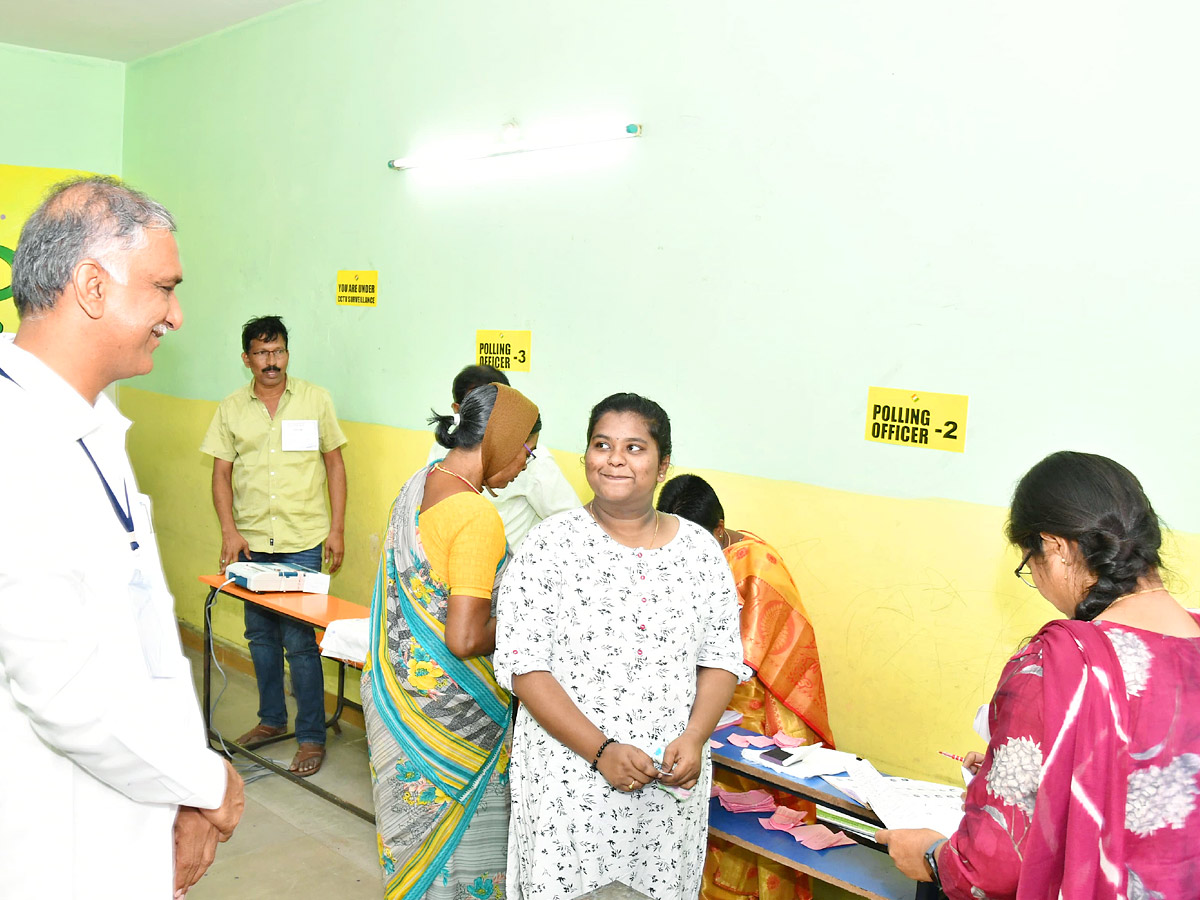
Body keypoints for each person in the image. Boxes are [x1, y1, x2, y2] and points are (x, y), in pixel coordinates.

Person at [0, 176, 244, 898]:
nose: (177, 314)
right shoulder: (19, 443)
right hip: (55, 841)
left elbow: (137, 626)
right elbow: (66, 689)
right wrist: (205, 780)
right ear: (93, 287)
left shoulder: (86, 421)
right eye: (164, 287)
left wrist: (182, 784)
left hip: (120, 809)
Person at [876, 451, 1200, 900]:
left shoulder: (1060, 663)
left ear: (1056, 547)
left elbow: (993, 867)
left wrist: (931, 855)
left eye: (1030, 563)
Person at [495, 393, 744, 900]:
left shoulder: (699, 551)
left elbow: (720, 657)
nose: (614, 459)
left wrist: (695, 737)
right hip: (569, 778)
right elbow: (525, 667)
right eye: (602, 444)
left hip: (668, 782)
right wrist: (601, 750)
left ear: (663, 464)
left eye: (635, 447)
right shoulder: (549, 547)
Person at [363, 382, 540, 900]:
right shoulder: (476, 515)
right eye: (527, 445)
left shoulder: (418, 485)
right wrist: (530, 623)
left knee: (417, 849)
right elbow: (464, 638)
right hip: (458, 721)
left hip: (399, 702)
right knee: (464, 851)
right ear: (501, 439)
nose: (528, 459)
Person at [657, 474, 833, 900]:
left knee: (755, 815)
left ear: (719, 530)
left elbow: (743, 656)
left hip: (762, 706)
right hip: (709, 699)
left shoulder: (757, 563)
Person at [200, 314, 348, 777]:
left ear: (287, 353)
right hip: (250, 542)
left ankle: (310, 737)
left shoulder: (315, 400)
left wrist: (338, 529)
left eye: (278, 351)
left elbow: (335, 467)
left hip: (303, 539)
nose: (271, 361)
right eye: (262, 353)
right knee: (261, 638)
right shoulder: (230, 409)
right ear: (246, 358)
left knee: (300, 643)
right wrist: (229, 530)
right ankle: (270, 720)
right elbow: (221, 474)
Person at [427, 364, 578, 549]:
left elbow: (573, 523)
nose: (485, 419)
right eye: (477, 409)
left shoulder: (535, 459)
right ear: (458, 410)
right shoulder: (441, 452)